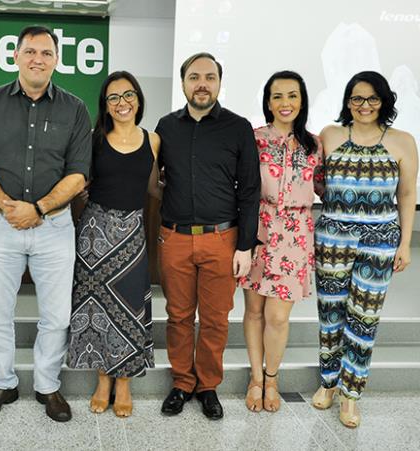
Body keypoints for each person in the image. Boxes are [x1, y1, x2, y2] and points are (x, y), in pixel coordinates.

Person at [0, 25, 91, 423]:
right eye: (31, 51)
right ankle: (3, 382)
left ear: (56, 60)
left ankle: (47, 386)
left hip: (54, 227)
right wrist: (9, 207)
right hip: (1, 224)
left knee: (56, 315)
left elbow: (78, 174)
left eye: (47, 53)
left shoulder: (75, 108)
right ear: (16, 56)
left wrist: (37, 208)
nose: (38, 59)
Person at [156, 52, 261, 419]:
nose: (202, 83)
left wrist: (246, 245)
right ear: (183, 82)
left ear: (219, 82)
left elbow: (249, 189)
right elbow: (155, 181)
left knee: (216, 319)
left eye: (210, 77)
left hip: (223, 239)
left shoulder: (238, 127)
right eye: (195, 76)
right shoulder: (166, 127)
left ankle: (208, 386)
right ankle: (182, 383)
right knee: (179, 315)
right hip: (176, 238)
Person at [311, 71, 417, 428]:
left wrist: (405, 243)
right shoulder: (331, 135)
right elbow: (318, 183)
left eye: (372, 99)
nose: (364, 106)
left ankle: (351, 394)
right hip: (332, 240)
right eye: (356, 99)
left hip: (381, 242)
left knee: (364, 318)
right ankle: (328, 382)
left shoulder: (402, 141)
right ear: (347, 102)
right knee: (331, 314)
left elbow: (406, 195)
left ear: (384, 101)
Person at [66, 71, 160, 417]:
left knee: (130, 309)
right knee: (96, 308)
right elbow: (80, 181)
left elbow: (152, 188)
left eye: (128, 95)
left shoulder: (153, 141)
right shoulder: (94, 139)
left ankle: (124, 383)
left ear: (138, 99)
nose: (122, 103)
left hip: (133, 231)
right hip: (95, 232)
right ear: (105, 105)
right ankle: (103, 379)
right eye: (114, 98)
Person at [238, 71, 324, 412]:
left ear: (302, 100)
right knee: (254, 310)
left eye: (292, 95)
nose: (285, 103)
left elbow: (324, 188)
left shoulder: (314, 144)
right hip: (257, 230)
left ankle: (272, 378)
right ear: (267, 101)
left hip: (295, 234)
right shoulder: (254, 139)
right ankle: (255, 380)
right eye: (277, 96)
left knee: (277, 316)